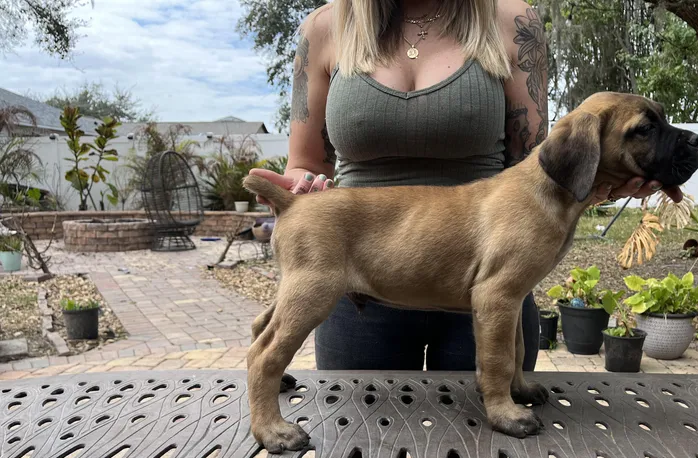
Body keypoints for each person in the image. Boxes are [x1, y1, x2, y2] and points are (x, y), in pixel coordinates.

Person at [249, 0, 662, 372]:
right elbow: (305, 162)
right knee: (363, 450)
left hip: (486, 270)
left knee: (479, 451)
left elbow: (535, 169)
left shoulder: (514, 22)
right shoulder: (324, 27)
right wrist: (302, 190)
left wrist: (603, 182)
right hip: (360, 281)